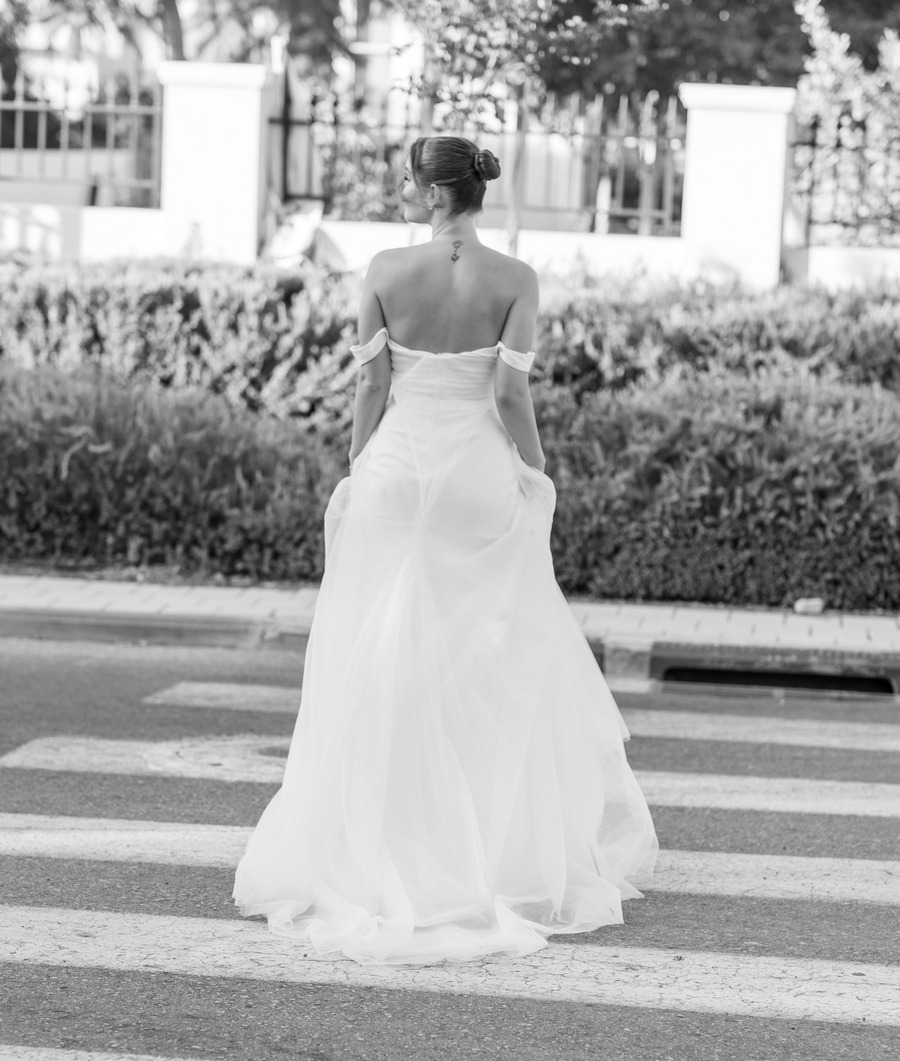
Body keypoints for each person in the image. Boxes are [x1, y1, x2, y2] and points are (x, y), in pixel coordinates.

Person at [233, 135, 658, 965]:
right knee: (484, 655)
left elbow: (371, 383)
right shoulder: (517, 278)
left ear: (435, 194)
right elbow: (509, 390)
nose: (400, 189)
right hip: (477, 474)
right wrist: (534, 468)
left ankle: (381, 840)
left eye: (407, 180)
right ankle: (484, 848)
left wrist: (359, 465)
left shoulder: (386, 269)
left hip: (398, 470)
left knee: (378, 651)